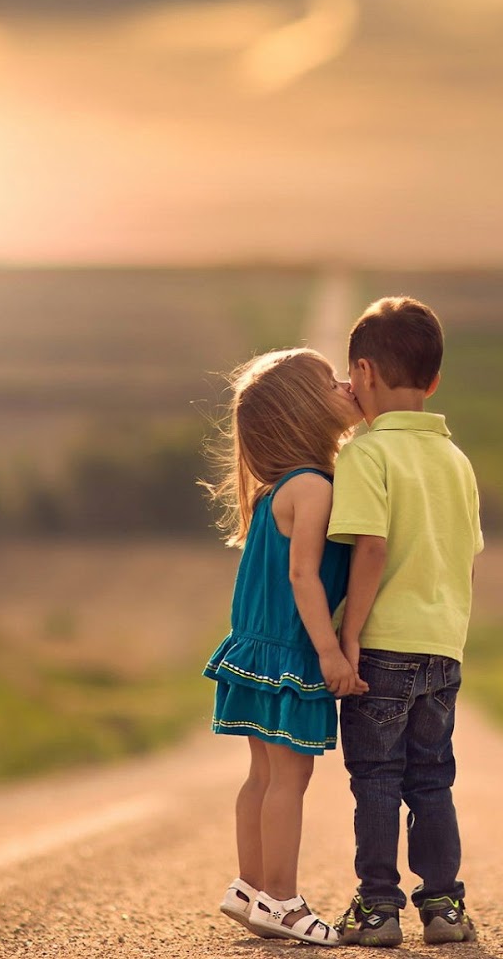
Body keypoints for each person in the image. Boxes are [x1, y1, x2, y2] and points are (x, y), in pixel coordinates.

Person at [327, 297, 483, 947]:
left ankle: (378, 908)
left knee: (378, 779)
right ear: (434, 381)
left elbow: (371, 547)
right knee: (432, 777)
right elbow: (463, 554)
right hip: (444, 647)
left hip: (384, 645)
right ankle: (444, 908)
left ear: (362, 372)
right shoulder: (457, 461)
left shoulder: (367, 456)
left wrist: (350, 634)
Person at [202, 347, 369, 947]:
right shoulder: (316, 488)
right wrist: (328, 652)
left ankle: (248, 888)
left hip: (255, 648)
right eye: (331, 382)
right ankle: (281, 897)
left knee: (262, 774)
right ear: (303, 412)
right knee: (288, 778)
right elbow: (304, 577)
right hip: (293, 651)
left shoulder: (278, 489)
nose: (348, 384)